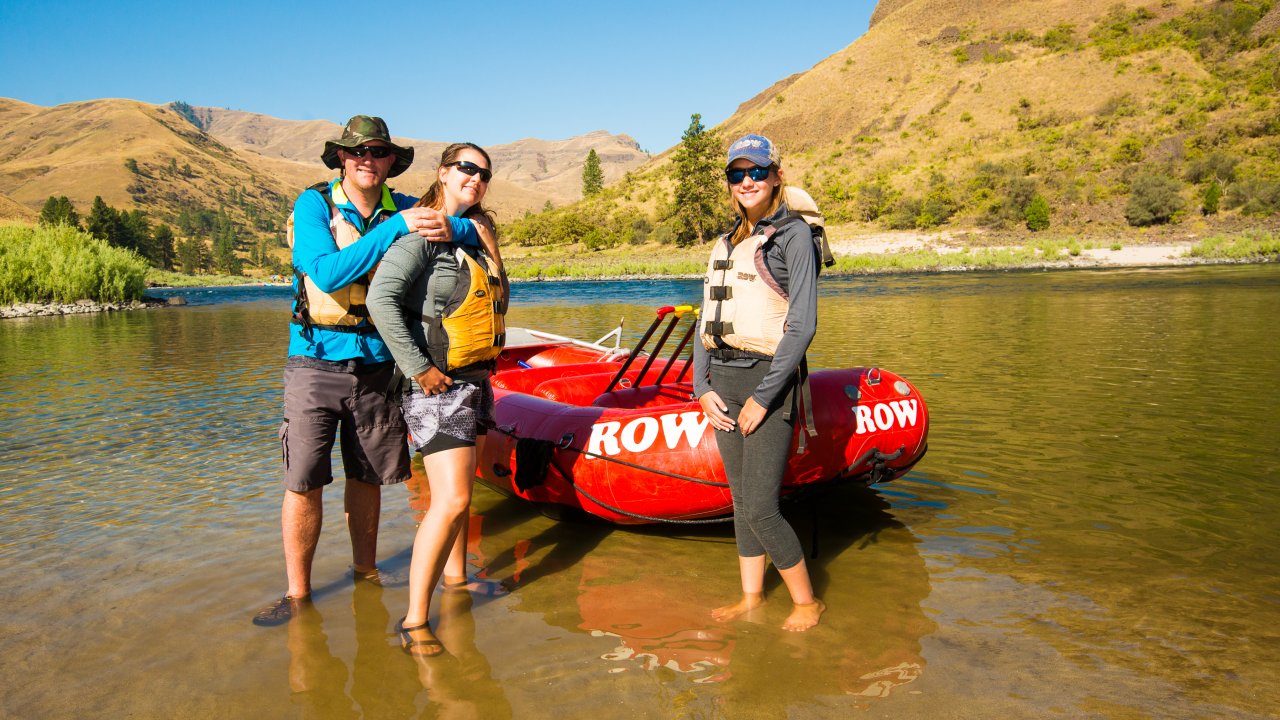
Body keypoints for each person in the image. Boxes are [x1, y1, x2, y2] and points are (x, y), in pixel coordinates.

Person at [254, 116, 481, 626]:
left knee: (369, 476)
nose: (367, 159)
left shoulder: (404, 206)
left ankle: (366, 575)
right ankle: (297, 595)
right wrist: (399, 228)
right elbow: (329, 272)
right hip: (315, 360)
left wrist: (457, 226)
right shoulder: (314, 204)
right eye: (357, 151)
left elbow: (468, 227)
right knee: (304, 478)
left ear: (388, 162)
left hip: (381, 363)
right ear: (341, 158)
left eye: (377, 152)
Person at [366, 143, 507, 656]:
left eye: (484, 173)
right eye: (466, 169)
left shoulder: (473, 234)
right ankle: (413, 621)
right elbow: (382, 299)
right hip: (438, 386)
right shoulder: (421, 233)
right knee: (450, 500)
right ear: (444, 173)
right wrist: (419, 368)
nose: (476, 178)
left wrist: (474, 231)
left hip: (475, 380)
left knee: (460, 495)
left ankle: (456, 581)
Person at [694, 134, 826, 632]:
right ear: (729, 183)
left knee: (762, 507)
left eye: (757, 172)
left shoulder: (792, 237)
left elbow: (802, 327)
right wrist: (700, 386)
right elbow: (708, 320)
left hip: (765, 381)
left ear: (776, 177)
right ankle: (751, 597)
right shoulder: (725, 244)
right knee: (740, 502)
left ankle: (807, 603)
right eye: (737, 174)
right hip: (721, 383)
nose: (747, 181)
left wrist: (764, 399)